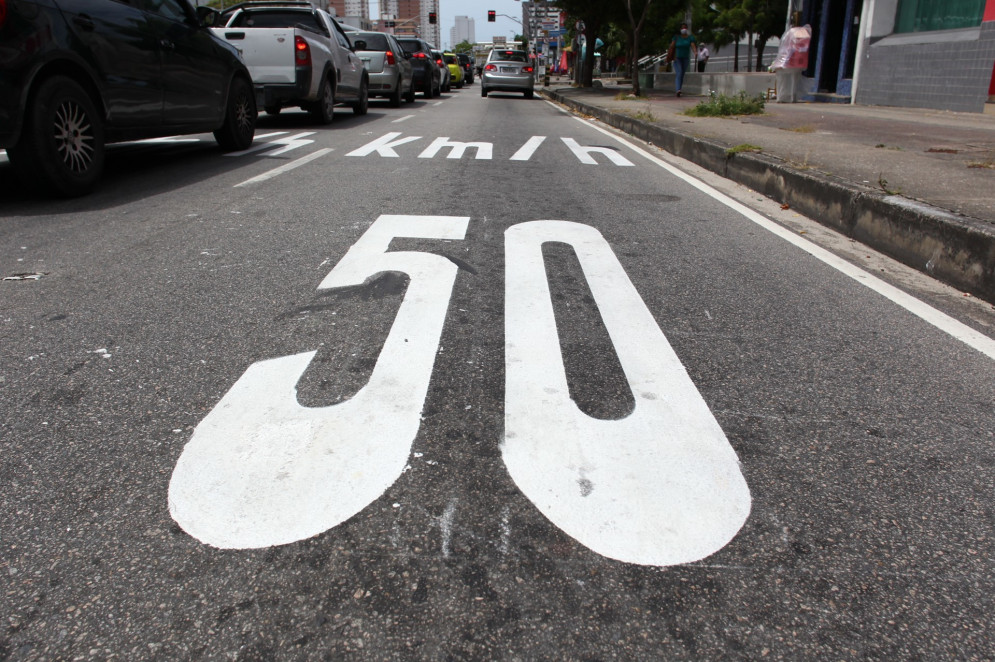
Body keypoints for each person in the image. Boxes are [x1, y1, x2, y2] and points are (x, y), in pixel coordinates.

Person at [667, 23, 697, 97]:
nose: (684, 29)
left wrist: (695, 52)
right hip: (677, 58)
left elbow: (693, 45)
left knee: (682, 74)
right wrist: (670, 53)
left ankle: (679, 89)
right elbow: (671, 46)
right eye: (682, 28)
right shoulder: (676, 37)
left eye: (685, 28)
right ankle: (678, 90)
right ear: (680, 29)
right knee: (679, 72)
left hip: (685, 58)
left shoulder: (690, 38)